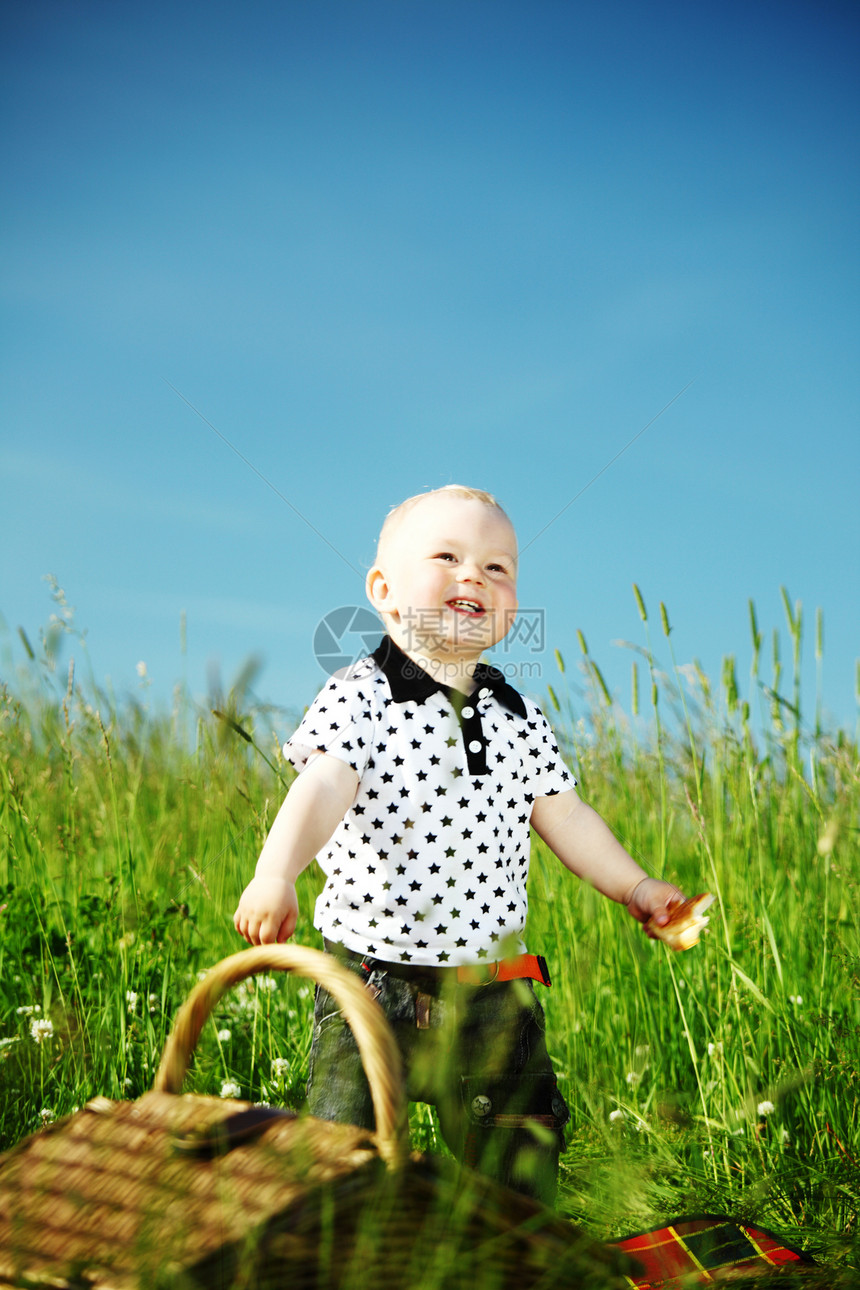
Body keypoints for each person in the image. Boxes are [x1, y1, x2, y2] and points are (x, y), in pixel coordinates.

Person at [234, 484, 685, 1204]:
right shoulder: (363, 695)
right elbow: (322, 786)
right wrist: (276, 872)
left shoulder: (518, 716)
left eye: (498, 568)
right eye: (447, 556)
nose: (474, 575)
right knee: (343, 1162)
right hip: (372, 984)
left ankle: (507, 1260)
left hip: (492, 990)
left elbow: (565, 815)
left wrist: (634, 886)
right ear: (383, 589)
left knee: (518, 1167)